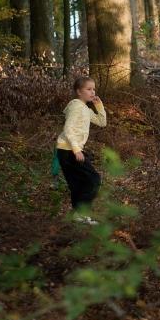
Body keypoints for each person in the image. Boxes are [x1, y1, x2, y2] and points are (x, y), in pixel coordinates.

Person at [56, 77, 107, 224]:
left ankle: (78, 217)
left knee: (78, 183)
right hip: (69, 150)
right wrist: (77, 150)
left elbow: (102, 122)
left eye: (94, 89)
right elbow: (68, 129)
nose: (93, 92)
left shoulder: (84, 108)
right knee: (93, 179)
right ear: (79, 91)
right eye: (88, 89)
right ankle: (81, 214)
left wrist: (98, 105)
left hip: (69, 149)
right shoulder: (76, 106)